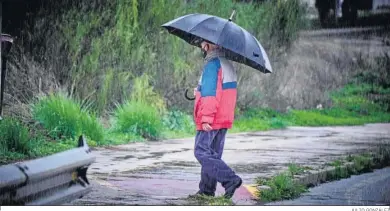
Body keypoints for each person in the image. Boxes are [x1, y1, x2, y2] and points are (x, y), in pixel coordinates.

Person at [191, 40, 242, 199]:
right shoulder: (227, 64)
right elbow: (221, 92)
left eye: (203, 42)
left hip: (211, 119)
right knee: (212, 154)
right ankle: (206, 191)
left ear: (210, 44)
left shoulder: (213, 65)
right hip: (222, 118)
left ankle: (230, 179)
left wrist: (206, 118)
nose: (201, 45)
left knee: (201, 151)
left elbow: (211, 95)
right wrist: (198, 92)